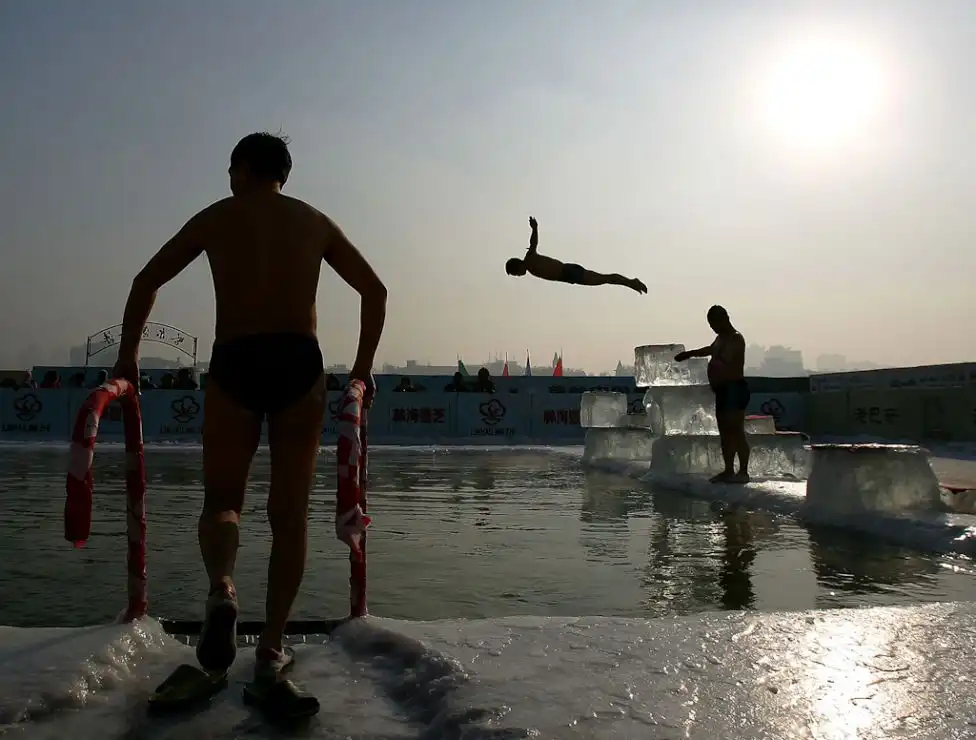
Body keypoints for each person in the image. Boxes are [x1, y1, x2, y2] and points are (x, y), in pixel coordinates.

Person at [112, 133, 388, 690]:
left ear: (241, 170)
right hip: (297, 362)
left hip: (235, 359)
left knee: (222, 502)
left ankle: (223, 588)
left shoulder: (217, 217)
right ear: (283, 174)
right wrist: (361, 369)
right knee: (289, 516)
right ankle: (270, 647)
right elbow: (374, 291)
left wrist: (128, 357)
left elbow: (147, 281)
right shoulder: (314, 221)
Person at [674, 305, 750, 483]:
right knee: (724, 432)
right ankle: (729, 470)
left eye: (714, 324)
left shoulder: (735, 338)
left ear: (724, 319)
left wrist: (709, 358)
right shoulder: (720, 338)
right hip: (723, 390)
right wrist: (689, 354)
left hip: (735, 388)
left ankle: (743, 471)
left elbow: (723, 358)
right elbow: (710, 349)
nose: (713, 328)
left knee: (736, 430)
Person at [505, 217, 647, 294]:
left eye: (516, 273)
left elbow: (533, 242)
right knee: (605, 279)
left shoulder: (530, 260)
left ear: (517, 266)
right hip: (569, 275)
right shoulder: (530, 265)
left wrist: (535, 228)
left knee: (605, 279)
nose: (518, 275)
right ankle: (631, 283)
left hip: (569, 272)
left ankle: (632, 282)